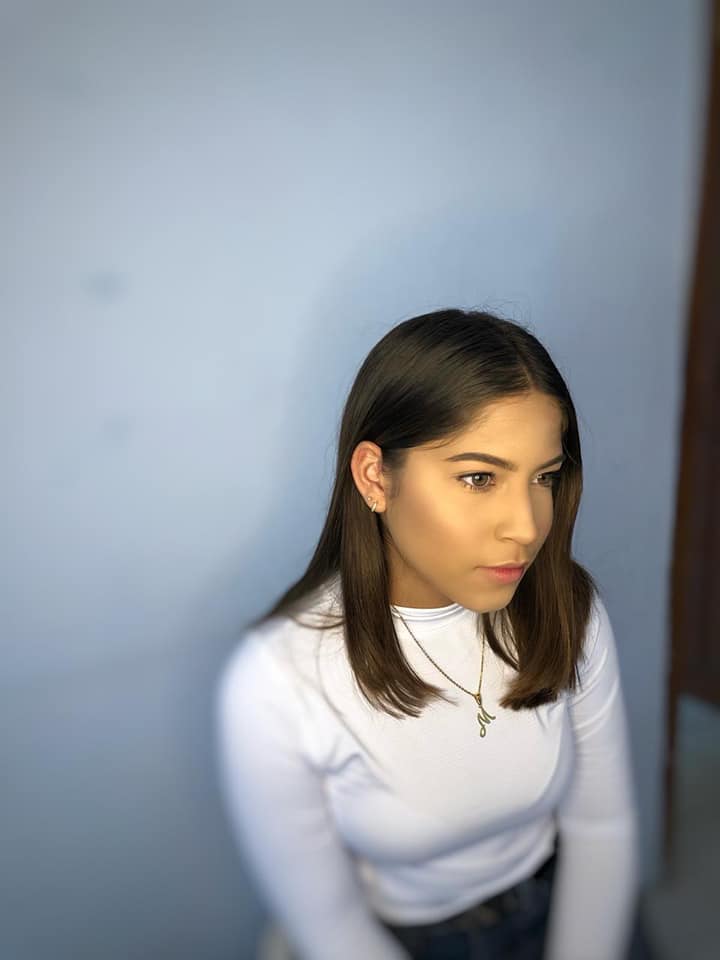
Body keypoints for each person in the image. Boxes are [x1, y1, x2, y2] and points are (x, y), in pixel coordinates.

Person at [214, 308, 646, 960]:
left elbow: (602, 824)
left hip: (563, 906)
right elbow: (329, 924)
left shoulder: (567, 608)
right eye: (479, 478)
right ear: (374, 477)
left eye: (544, 478)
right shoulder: (277, 680)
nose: (527, 526)